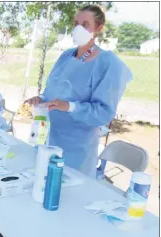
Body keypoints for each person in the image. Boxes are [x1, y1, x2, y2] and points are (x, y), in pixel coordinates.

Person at [24, 5, 132, 177]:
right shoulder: (66, 56)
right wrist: (41, 98)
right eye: (76, 23)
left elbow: (103, 113)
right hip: (49, 138)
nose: (78, 28)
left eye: (85, 24)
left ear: (98, 28)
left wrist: (70, 106)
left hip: (76, 149)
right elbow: (53, 92)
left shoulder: (107, 64)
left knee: (68, 193)